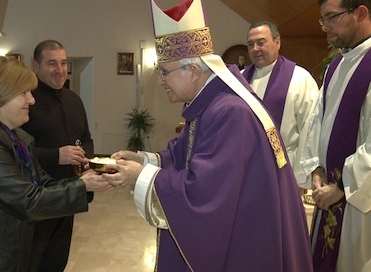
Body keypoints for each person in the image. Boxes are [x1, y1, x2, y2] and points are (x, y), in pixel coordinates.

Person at [103, 0, 313, 271]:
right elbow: (185, 155)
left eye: (164, 72)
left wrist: (139, 176)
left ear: (192, 70)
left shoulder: (230, 113)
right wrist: (144, 160)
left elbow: (203, 195)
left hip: (245, 242)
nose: (160, 81)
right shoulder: (209, 104)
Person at [0, 56, 113, 272]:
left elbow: (41, 184)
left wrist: (85, 181)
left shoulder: (13, 136)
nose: (32, 100)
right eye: (23, 93)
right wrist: (83, 186)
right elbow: (27, 201)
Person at [300, 0, 371, 271]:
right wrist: (316, 167)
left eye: (331, 17)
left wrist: (342, 188)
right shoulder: (335, 66)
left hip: (360, 204)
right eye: (322, 19)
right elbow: (318, 120)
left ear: (361, 13)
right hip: (328, 194)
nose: (324, 27)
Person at [22, 40, 94, 272]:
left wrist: (86, 161)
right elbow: (17, 152)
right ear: (36, 65)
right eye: (52, 63)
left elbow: (86, 139)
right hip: (37, 197)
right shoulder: (26, 102)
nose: (60, 69)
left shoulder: (74, 100)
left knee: (57, 261)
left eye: (63, 63)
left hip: (68, 193)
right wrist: (57, 156)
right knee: (32, 262)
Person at [242, 21, 319, 189]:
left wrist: (299, 177)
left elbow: (309, 129)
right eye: (250, 44)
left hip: (284, 170)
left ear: (277, 42)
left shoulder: (299, 78)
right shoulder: (239, 80)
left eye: (261, 42)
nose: (255, 48)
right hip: (244, 171)